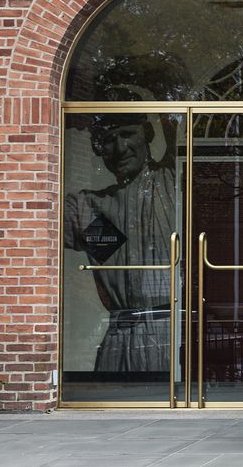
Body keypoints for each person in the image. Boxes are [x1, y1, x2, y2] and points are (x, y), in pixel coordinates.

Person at [64, 69, 181, 373]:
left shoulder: (172, 182)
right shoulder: (89, 205)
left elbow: (175, 130)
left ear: (147, 135)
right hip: (117, 337)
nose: (120, 148)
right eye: (108, 140)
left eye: (128, 134)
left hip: (166, 331)